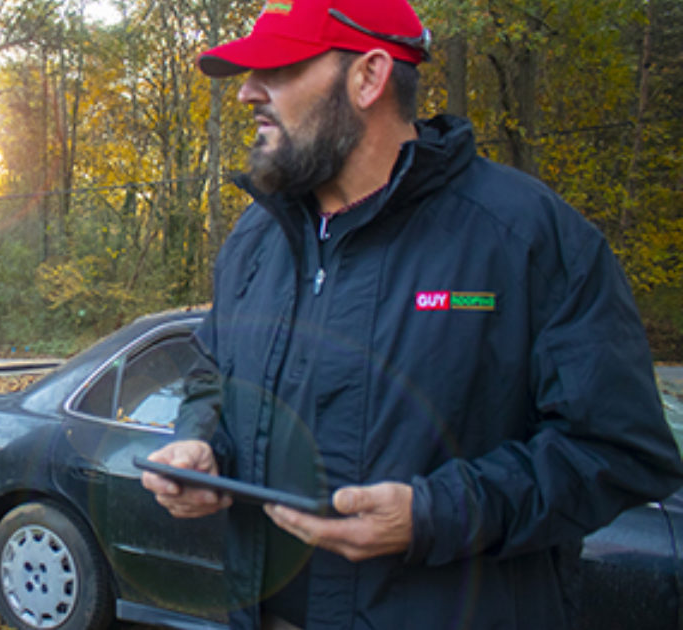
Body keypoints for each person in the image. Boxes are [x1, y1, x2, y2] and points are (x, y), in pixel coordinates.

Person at [140, 0, 683, 628]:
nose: (248, 94)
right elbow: (212, 376)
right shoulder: (257, 240)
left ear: (369, 77)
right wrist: (201, 443)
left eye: (280, 67)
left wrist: (437, 514)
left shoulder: (525, 236)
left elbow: (620, 450)